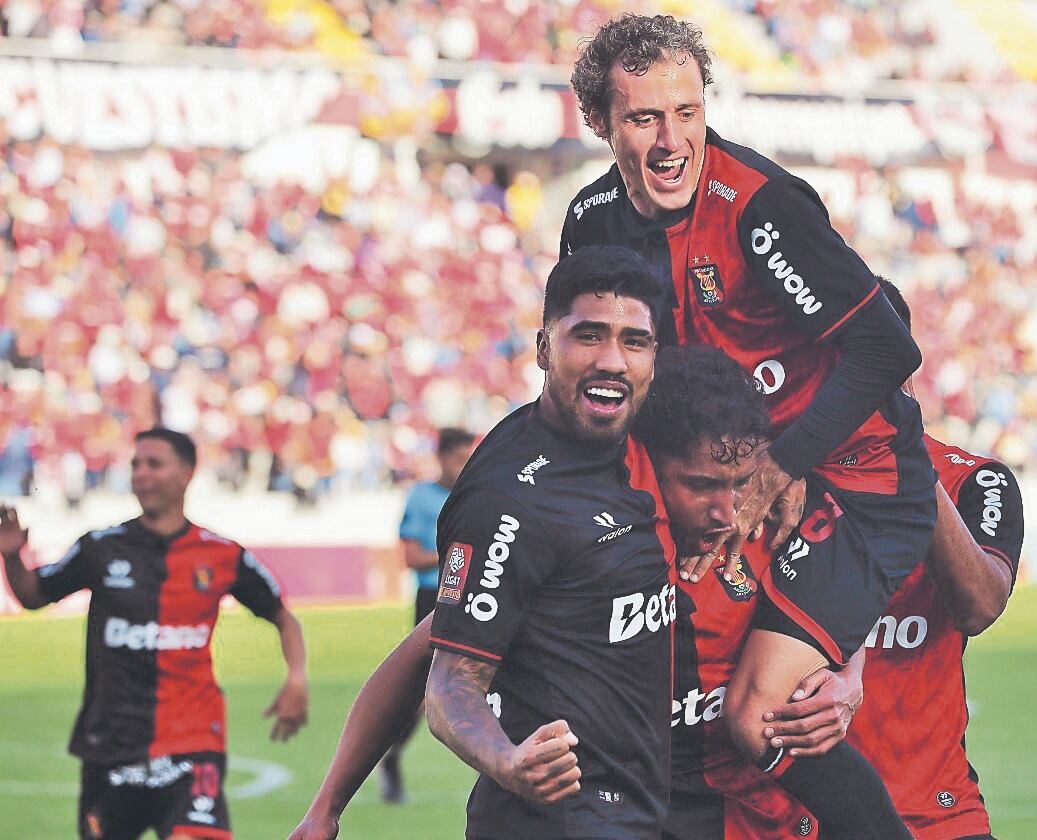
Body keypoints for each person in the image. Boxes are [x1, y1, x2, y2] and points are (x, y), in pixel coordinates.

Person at [563, 16, 932, 837]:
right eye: (644, 118)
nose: (670, 140)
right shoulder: (591, 220)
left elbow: (886, 348)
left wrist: (783, 465)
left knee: (757, 715)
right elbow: (589, 364)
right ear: (599, 123)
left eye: (686, 113)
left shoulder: (762, 209)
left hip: (855, 476)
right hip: (730, 487)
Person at [288, 345, 863, 840]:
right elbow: (428, 657)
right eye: (702, 486)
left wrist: (849, 676)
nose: (727, 510)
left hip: (700, 813)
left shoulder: (773, 525)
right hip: (555, 818)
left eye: (740, 485)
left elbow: (852, 591)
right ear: (648, 464)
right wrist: (327, 806)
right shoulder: (582, 538)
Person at [421, 243, 676, 840]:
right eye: (588, 335)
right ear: (542, 348)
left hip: (639, 811)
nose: (612, 359)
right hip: (561, 822)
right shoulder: (507, 499)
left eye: (633, 341)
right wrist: (509, 762)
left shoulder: (633, 445)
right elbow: (449, 680)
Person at [0, 427, 308, 840]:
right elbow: (34, 595)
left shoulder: (221, 553)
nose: (142, 474)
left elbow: (283, 617)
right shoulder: (100, 547)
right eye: (136, 465)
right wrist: (11, 555)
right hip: (110, 746)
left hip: (193, 744)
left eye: (154, 464)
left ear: (186, 473)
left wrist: (296, 678)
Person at [846, 280, 1026, 840]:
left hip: (934, 813)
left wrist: (902, 459)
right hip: (797, 817)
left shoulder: (975, 481)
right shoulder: (775, 480)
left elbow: (980, 604)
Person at [378, 425, 477, 804]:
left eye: (470, 458)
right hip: (434, 599)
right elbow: (410, 558)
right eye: (458, 459)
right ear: (441, 458)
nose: (465, 465)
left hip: (478, 596)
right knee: (423, 694)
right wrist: (461, 551)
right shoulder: (421, 498)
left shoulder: (476, 494)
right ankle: (390, 756)